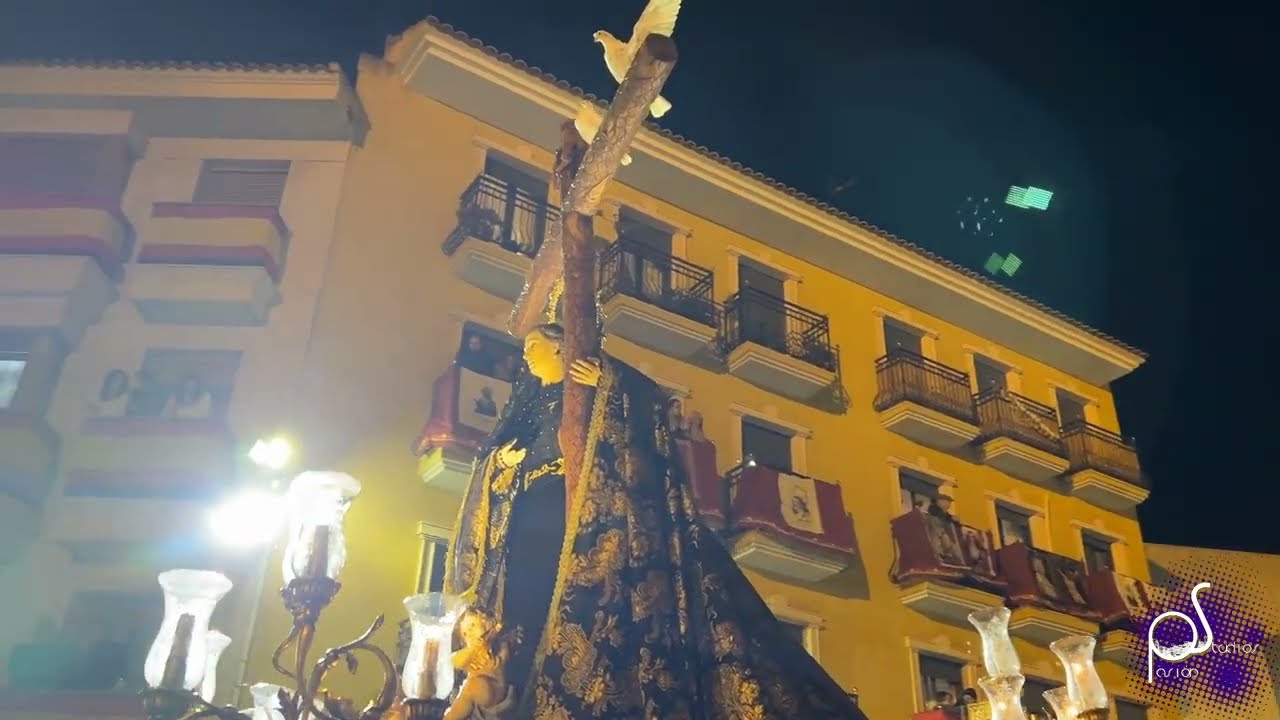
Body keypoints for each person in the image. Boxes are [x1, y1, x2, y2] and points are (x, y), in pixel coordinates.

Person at [446, 323, 866, 720]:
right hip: (527, 528)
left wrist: (609, 380)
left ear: (560, 346)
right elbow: (492, 460)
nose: (527, 355)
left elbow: (649, 409)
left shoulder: (600, 384)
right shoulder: (529, 407)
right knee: (526, 613)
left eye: (534, 345)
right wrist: (504, 461)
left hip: (584, 516)